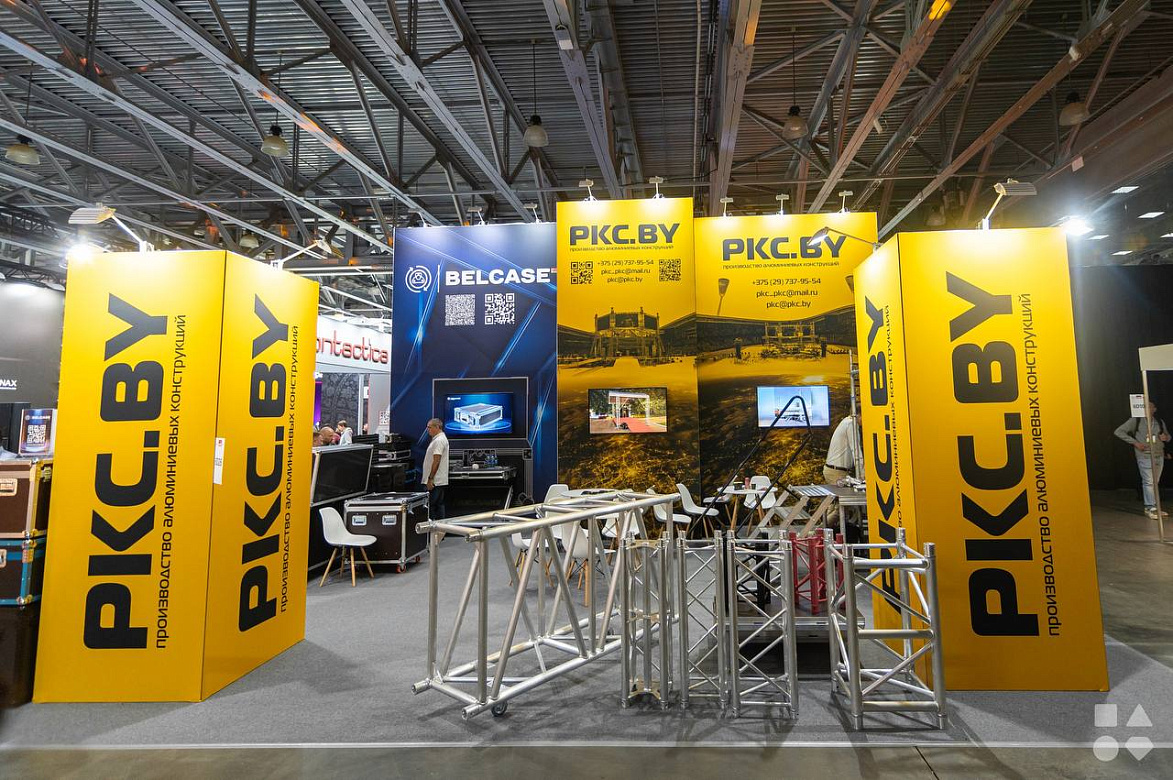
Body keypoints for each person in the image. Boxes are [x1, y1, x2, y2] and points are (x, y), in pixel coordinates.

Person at [1115, 401, 1172, 519]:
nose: (1147, 409)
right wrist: (1135, 443)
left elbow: (1168, 436)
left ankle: (1155, 507)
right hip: (1145, 455)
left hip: (1158, 454)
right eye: (1145, 407)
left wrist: (1166, 437)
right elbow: (1119, 431)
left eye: (1150, 407)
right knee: (1149, 481)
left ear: (1154, 409)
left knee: (1155, 482)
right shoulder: (1136, 420)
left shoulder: (1159, 422)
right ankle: (1150, 507)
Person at [423, 417, 450, 520]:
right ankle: (440, 527)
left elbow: (436, 461)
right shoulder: (438, 439)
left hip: (435, 481)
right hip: (437, 480)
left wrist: (430, 479)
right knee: (438, 505)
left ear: (437, 427)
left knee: (432, 506)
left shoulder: (439, 440)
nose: (428, 430)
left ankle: (434, 527)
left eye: (429, 427)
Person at [824, 413, 861, 485]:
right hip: (837, 472)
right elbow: (856, 450)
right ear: (858, 415)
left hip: (836, 471)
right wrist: (862, 474)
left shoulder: (846, 421)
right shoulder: (851, 424)